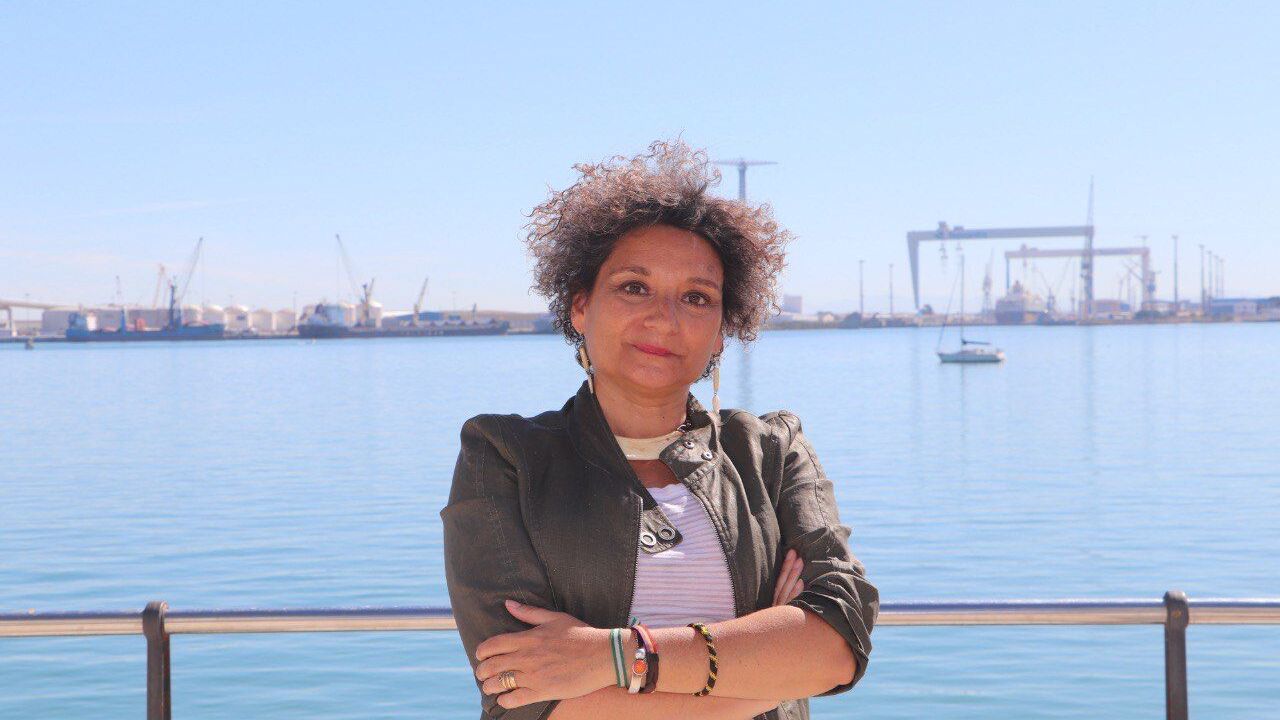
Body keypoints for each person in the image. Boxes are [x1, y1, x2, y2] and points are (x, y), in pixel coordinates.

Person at [441, 140, 877, 720]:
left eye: (696, 297)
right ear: (580, 307)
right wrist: (770, 677)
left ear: (721, 332)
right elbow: (526, 696)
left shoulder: (771, 452)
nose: (663, 318)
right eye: (634, 286)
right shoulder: (504, 456)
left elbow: (839, 643)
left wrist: (612, 657)